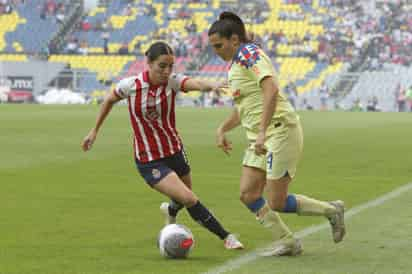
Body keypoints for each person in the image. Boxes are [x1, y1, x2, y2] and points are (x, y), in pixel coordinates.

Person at [81, 41, 243, 250]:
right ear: (148, 63)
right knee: (189, 197)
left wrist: (211, 85)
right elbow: (109, 100)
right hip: (149, 158)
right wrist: (94, 130)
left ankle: (171, 211)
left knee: (183, 198)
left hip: (174, 149)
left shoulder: (172, 82)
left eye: (170, 67)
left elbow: (194, 83)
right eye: (162, 66)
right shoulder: (130, 85)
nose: (167, 71)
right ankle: (226, 237)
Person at [208, 12, 345, 256]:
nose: (216, 51)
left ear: (235, 40)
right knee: (248, 195)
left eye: (219, 45)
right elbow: (245, 108)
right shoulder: (234, 67)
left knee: (277, 201)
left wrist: (262, 131)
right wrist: (222, 129)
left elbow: (271, 88)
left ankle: (332, 210)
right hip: (260, 138)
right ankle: (289, 242)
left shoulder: (250, 54)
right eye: (213, 47)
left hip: (279, 130)